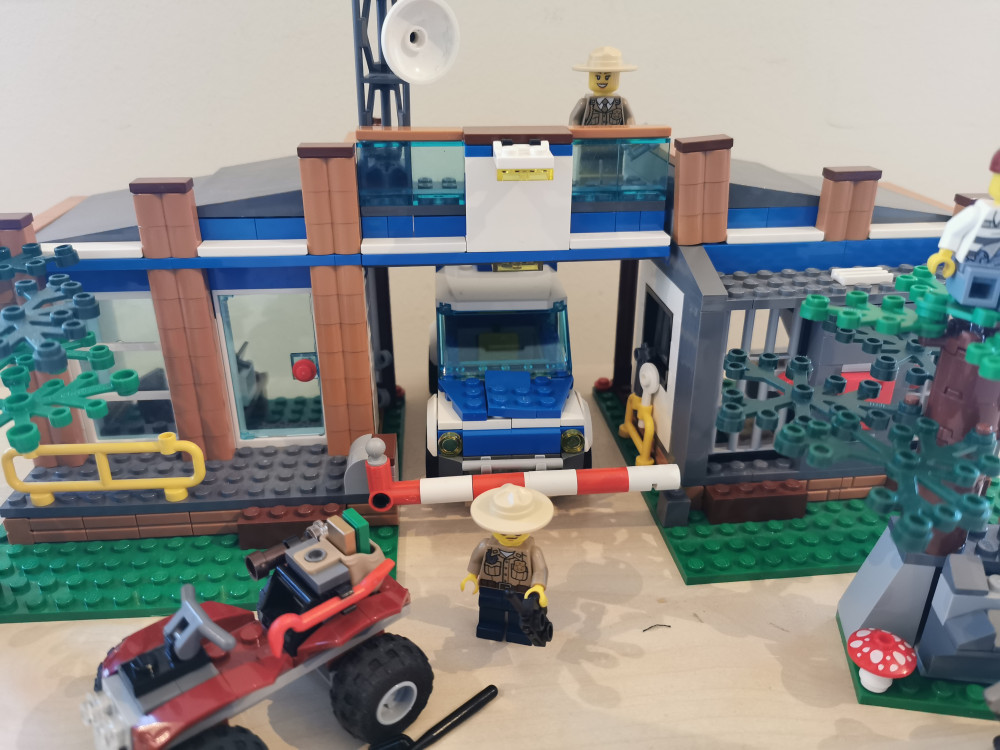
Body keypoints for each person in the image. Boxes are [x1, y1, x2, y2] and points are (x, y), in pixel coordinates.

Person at [460, 484, 553, 645]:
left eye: (517, 532)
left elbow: (541, 570)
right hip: (490, 587)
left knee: (518, 615)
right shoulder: (485, 545)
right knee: (489, 611)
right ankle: (490, 627)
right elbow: (476, 560)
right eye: (504, 531)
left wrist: (538, 587)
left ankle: (517, 632)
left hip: (521, 591)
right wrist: (472, 575)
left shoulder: (533, 551)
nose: (510, 536)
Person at [927, 149, 1000, 307]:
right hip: (970, 260)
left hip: (995, 264)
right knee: (965, 293)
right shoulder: (979, 211)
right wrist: (945, 254)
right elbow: (954, 229)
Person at [569, 46, 637, 127]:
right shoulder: (584, 103)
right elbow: (574, 120)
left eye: (607, 77)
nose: (602, 81)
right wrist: (576, 131)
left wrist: (630, 131)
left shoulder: (622, 103)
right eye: (598, 77)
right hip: (590, 135)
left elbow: (630, 120)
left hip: (615, 135)